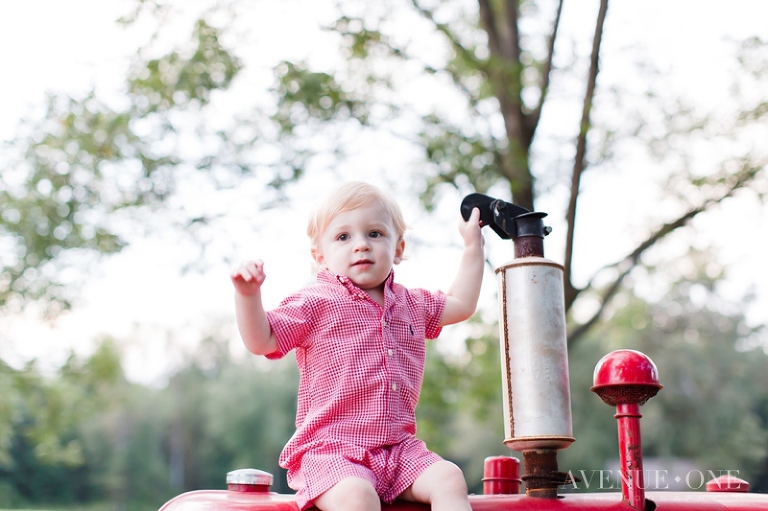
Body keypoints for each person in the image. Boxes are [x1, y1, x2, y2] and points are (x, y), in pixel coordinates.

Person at [230, 181, 484, 511]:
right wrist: (248, 296)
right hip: (332, 452)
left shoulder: (412, 304)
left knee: (449, 477)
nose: (361, 245)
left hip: (399, 451)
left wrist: (472, 249)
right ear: (320, 255)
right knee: (357, 496)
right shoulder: (315, 302)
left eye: (375, 234)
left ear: (398, 246)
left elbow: (461, 303)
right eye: (343, 237)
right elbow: (261, 340)